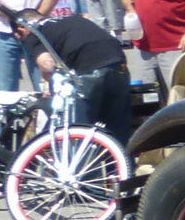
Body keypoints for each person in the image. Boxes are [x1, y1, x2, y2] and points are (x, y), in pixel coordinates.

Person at [11, 10, 133, 143]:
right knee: (117, 129)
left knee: (78, 131)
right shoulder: (72, 19)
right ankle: (121, 162)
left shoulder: (35, 31)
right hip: (118, 64)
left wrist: (48, 82)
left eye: (20, 37)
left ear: (21, 29)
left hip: (89, 71)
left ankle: (80, 161)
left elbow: (47, 64)